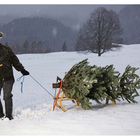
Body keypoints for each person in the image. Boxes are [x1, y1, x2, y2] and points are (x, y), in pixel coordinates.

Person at [0, 32, 29, 120]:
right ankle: (0, 115)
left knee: (7, 96)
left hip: (7, 77)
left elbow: (15, 61)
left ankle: (9, 117)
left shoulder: (6, 50)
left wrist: (22, 70)